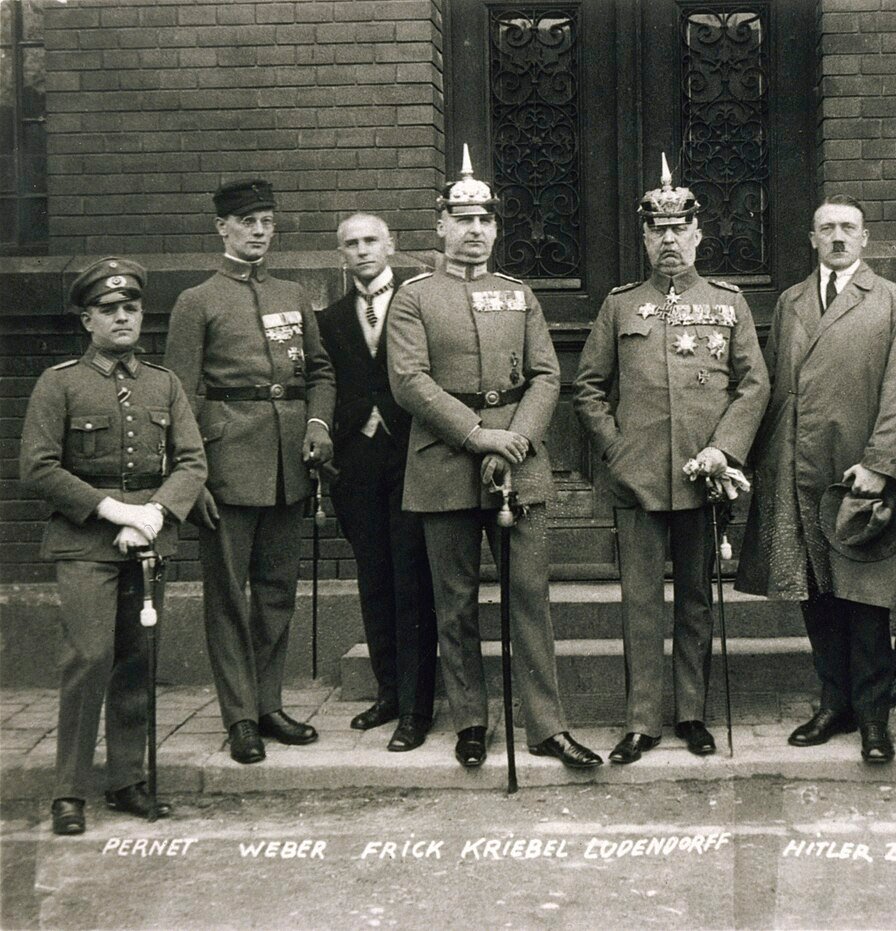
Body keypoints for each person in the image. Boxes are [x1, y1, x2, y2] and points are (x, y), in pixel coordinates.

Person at [386, 146, 601, 770]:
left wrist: (518, 441)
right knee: (454, 603)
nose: (474, 230)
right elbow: (410, 381)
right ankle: (471, 722)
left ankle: (546, 726)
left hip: (520, 461)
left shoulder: (519, 293)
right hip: (444, 462)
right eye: (462, 218)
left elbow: (545, 375)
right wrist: (478, 435)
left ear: (496, 228)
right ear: (441, 226)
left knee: (529, 597)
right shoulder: (414, 297)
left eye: (484, 219)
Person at [573, 155, 769, 764]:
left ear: (698, 235)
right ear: (644, 237)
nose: (669, 241)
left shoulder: (729, 303)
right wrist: (616, 450)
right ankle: (641, 723)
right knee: (638, 601)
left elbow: (754, 385)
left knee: (696, 599)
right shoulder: (621, 305)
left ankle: (691, 713)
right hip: (637, 480)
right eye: (658, 231)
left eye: (679, 230)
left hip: (703, 479)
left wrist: (724, 449)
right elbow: (588, 387)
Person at [736, 194, 896, 764]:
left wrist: (880, 464)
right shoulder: (793, 301)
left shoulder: (894, 302)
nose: (838, 237)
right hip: (800, 468)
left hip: (859, 472)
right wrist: (753, 460)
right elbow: (773, 388)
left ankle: (873, 717)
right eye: (827, 228)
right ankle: (833, 702)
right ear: (813, 239)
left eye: (848, 228)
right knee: (816, 593)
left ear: (865, 240)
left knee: (865, 596)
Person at [20, 258, 207, 835]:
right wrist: (114, 511)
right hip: (83, 544)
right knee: (89, 656)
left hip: (148, 539)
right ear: (87, 320)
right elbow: (37, 467)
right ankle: (68, 792)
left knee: (137, 660)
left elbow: (193, 461)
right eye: (109, 310)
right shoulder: (60, 383)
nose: (123, 319)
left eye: (130, 309)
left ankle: (128, 779)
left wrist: (151, 514)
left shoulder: (164, 383)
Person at [164, 179, 336, 765]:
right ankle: (239, 716)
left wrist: (319, 426)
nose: (260, 230)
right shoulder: (199, 300)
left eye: (266, 220)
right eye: (247, 221)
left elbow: (320, 373)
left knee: (276, 594)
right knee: (228, 599)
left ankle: (269, 703)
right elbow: (177, 396)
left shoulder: (291, 293)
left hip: (290, 464)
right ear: (222, 229)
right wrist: (194, 479)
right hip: (225, 467)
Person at [317, 213, 438, 752]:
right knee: (374, 577)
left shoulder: (419, 303)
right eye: (351, 244)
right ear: (341, 254)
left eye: (371, 240)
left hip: (413, 455)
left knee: (413, 581)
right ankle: (389, 692)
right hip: (357, 464)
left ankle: (417, 708)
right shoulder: (332, 317)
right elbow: (326, 383)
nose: (362, 250)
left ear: (391, 246)